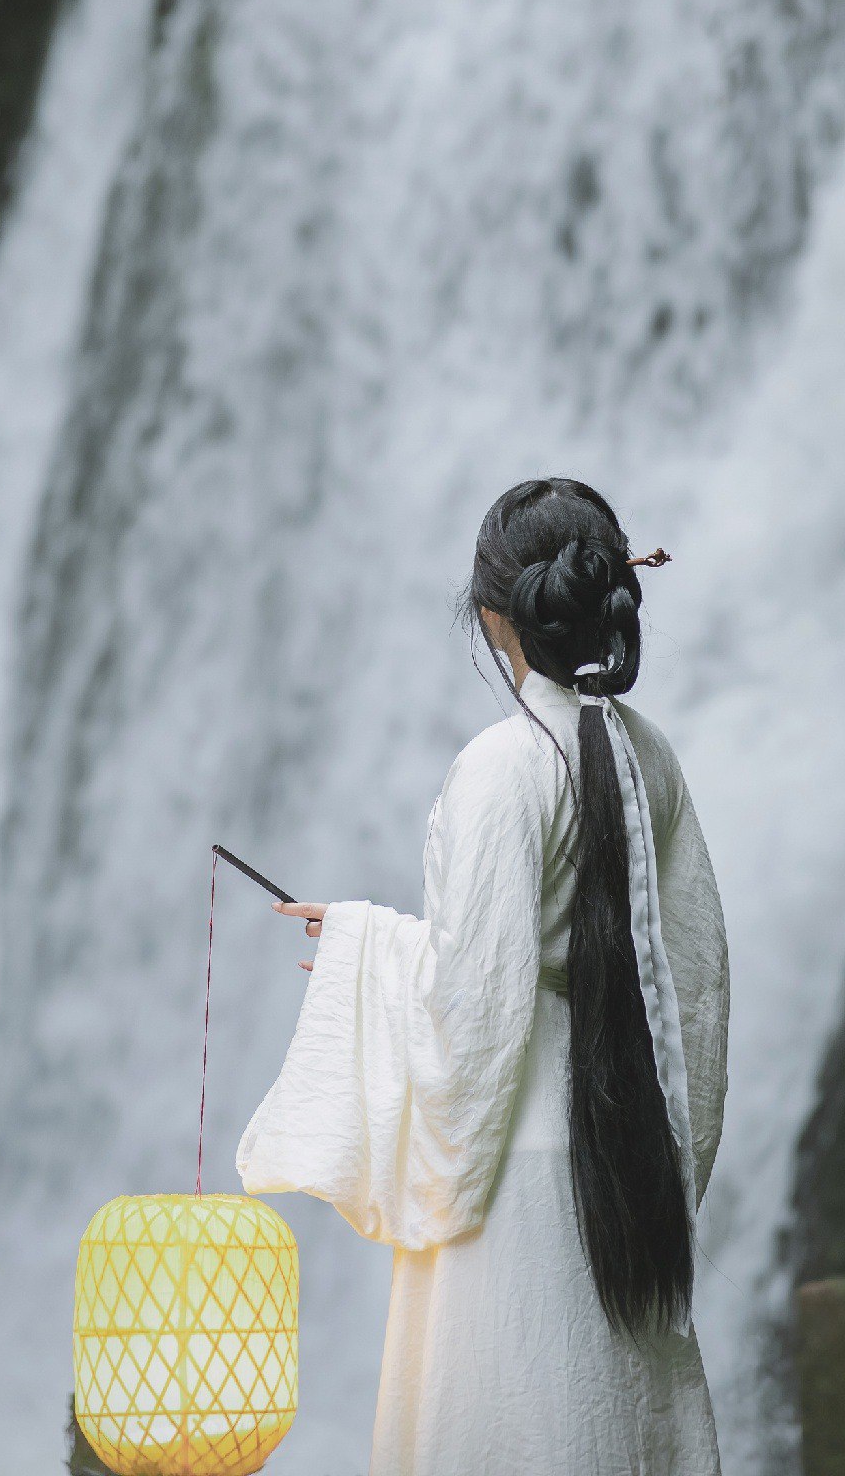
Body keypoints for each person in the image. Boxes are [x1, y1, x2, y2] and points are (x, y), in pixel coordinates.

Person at [236, 476, 730, 1475]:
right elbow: (696, 977)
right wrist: (370, 942)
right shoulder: (650, 755)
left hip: (517, 1177)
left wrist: (371, 962)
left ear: (496, 616)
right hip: (620, 1155)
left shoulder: (503, 766)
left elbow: (480, 1004)